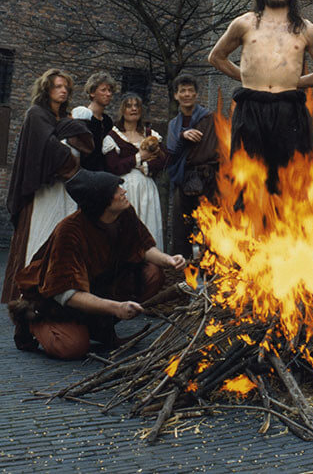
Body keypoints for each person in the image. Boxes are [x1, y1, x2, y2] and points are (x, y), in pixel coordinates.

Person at [9, 169, 186, 358]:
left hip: (99, 285)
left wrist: (168, 260)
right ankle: (33, 323)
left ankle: (100, 326)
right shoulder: (69, 232)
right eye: (117, 190)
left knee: (152, 273)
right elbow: (67, 293)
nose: (123, 192)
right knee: (72, 347)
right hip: (53, 300)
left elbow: (142, 247)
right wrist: (116, 308)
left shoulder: (124, 214)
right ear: (102, 202)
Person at [208, 0, 313, 192]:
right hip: (251, 109)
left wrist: (294, 83)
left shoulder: (307, 29)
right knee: (248, 180)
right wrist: (247, 78)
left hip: (289, 111)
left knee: (289, 181)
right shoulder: (244, 23)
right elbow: (216, 57)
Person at [2, 69, 93, 304]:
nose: (62, 91)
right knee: (41, 238)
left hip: (64, 192)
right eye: (57, 86)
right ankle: (32, 295)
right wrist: (70, 158)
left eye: (65, 87)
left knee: (62, 239)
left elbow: (83, 140)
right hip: (44, 191)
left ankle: (59, 292)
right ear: (46, 89)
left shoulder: (63, 119)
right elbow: (50, 149)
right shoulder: (36, 114)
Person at [102, 93, 167, 248]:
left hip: (147, 188)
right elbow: (114, 167)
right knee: (127, 230)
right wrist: (140, 157)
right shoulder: (112, 137)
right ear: (122, 110)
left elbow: (164, 160)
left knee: (148, 224)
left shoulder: (150, 134)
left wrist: (145, 166)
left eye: (136, 106)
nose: (133, 109)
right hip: (126, 189)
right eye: (129, 106)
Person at [167, 73, 218, 257]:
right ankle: (181, 272)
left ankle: (213, 276)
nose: (186, 94)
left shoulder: (209, 119)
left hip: (209, 179)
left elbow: (217, 148)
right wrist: (183, 135)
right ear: (176, 95)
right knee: (182, 228)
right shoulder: (174, 125)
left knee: (211, 228)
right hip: (184, 178)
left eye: (190, 90)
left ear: (196, 94)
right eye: (182, 91)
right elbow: (171, 151)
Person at [71, 71, 116, 171]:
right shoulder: (83, 118)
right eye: (103, 90)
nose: (108, 94)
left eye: (110, 90)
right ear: (92, 93)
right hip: (84, 172)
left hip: (102, 173)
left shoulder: (107, 121)